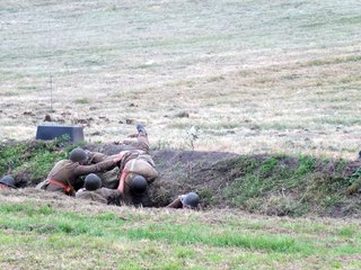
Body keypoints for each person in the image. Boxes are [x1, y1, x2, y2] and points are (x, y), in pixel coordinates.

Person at [36, 147, 125, 196]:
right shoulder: (75, 168)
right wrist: (114, 161)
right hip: (55, 191)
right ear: (79, 161)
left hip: (44, 186)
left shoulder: (62, 162)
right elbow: (96, 168)